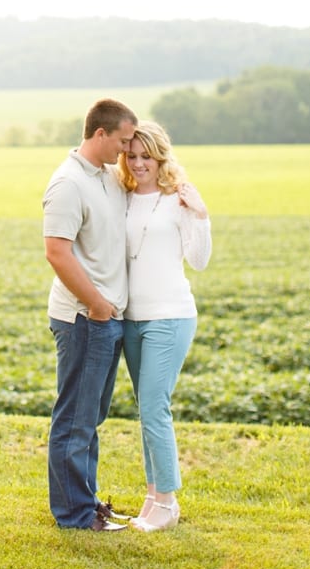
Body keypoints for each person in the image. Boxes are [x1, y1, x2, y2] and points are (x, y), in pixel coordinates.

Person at [43, 97, 138, 532]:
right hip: (84, 318)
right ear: (99, 134)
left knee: (90, 418)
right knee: (75, 420)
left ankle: (87, 501)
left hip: (107, 318)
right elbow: (57, 253)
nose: (125, 149)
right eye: (121, 141)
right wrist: (97, 305)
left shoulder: (105, 178)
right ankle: (75, 516)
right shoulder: (67, 184)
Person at [116, 119, 212, 532]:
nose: (139, 164)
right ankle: (152, 496)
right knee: (146, 409)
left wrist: (202, 216)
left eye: (147, 157)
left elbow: (200, 260)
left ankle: (168, 504)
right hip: (131, 319)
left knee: (156, 407)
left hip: (170, 315)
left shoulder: (178, 200)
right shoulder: (121, 197)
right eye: (132, 156)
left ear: (161, 157)